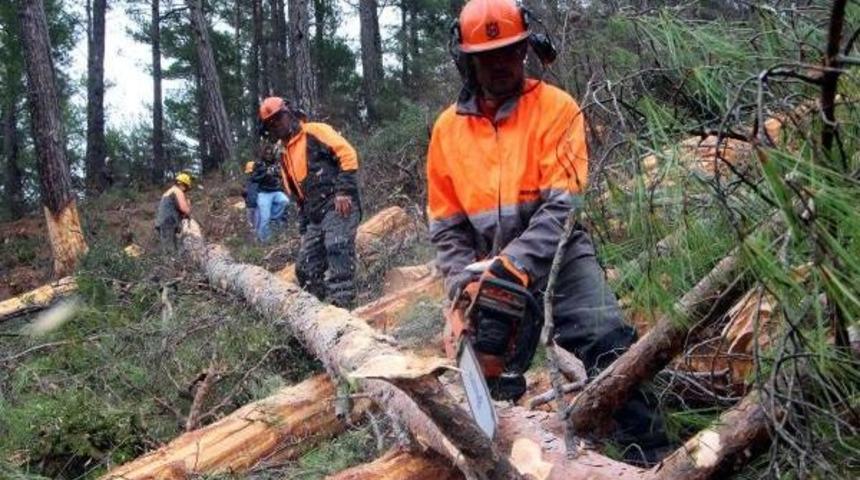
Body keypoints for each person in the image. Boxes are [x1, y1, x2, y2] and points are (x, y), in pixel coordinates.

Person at [426, 0, 667, 464]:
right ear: (467, 60)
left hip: (558, 249)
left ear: (526, 50)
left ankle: (649, 451)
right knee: (485, 361)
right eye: (487, 56)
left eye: (509, 53)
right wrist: (462, 282)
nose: (499, 65)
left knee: (604, 336)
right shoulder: (445, 131)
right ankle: (498, 455)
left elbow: (564, 207)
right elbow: (447, 224)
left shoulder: (557, 108)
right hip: (486, 257)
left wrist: (514, 265)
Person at [258, 97, 361, 308]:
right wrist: (304, 226)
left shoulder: (314, 131)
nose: (276, 125)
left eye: (278, 118)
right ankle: (319, 311)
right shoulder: (284, 154)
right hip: (315, 215)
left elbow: (347, 154)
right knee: (305, 268)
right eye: (271, 123)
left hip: (338, 203)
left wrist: (343, 190)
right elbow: (298, 194)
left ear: (289, 112)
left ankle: (344, 306)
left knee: (337, 246)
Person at [251, 147, 290, 243]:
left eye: (270, 153)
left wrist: (278, 173)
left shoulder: (276, 163)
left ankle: (274, 217)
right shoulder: (259, 164)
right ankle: (263, 240)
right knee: (265, 218)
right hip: (263, 193)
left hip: (276, 191)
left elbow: (282, 175)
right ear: (263, 154)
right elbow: (254, 178)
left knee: (285, 201)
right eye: (267, 153)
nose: (269, 155)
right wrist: (265, 173)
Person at [155, 171, 192, 254]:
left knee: (170, 248)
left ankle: (173, 264)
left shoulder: (170, 191)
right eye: (186, 188)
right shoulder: (177, 191)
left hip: (164, 223)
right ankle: (174, 265)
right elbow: (184, 209)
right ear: (183, 185)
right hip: (168, 223)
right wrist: (188, 206)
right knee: (170, 251)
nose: (186, 191)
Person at [243, 160, 259, 232]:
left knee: (257, 225)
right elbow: (245, 193)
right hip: (249, 206)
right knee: (251, 225)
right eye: (250, 173)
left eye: (252, 172)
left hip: (257, 206)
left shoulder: (260, 181)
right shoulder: (247, 181)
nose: (251, 174)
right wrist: (244, 194)